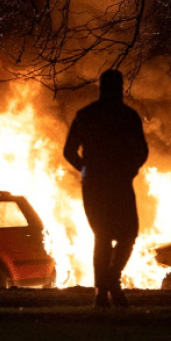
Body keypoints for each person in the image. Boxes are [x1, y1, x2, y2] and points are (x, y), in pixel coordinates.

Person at [63, 69, 148, 308]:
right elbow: (141, 151)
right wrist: (130, 169)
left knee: (111, 236)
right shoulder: (126, 115)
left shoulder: (88, 115)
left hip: (101, 184)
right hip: (114, 183)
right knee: (120, 235)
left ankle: (106, 285)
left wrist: (84, 169)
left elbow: (69, 151)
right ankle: (108, 287)